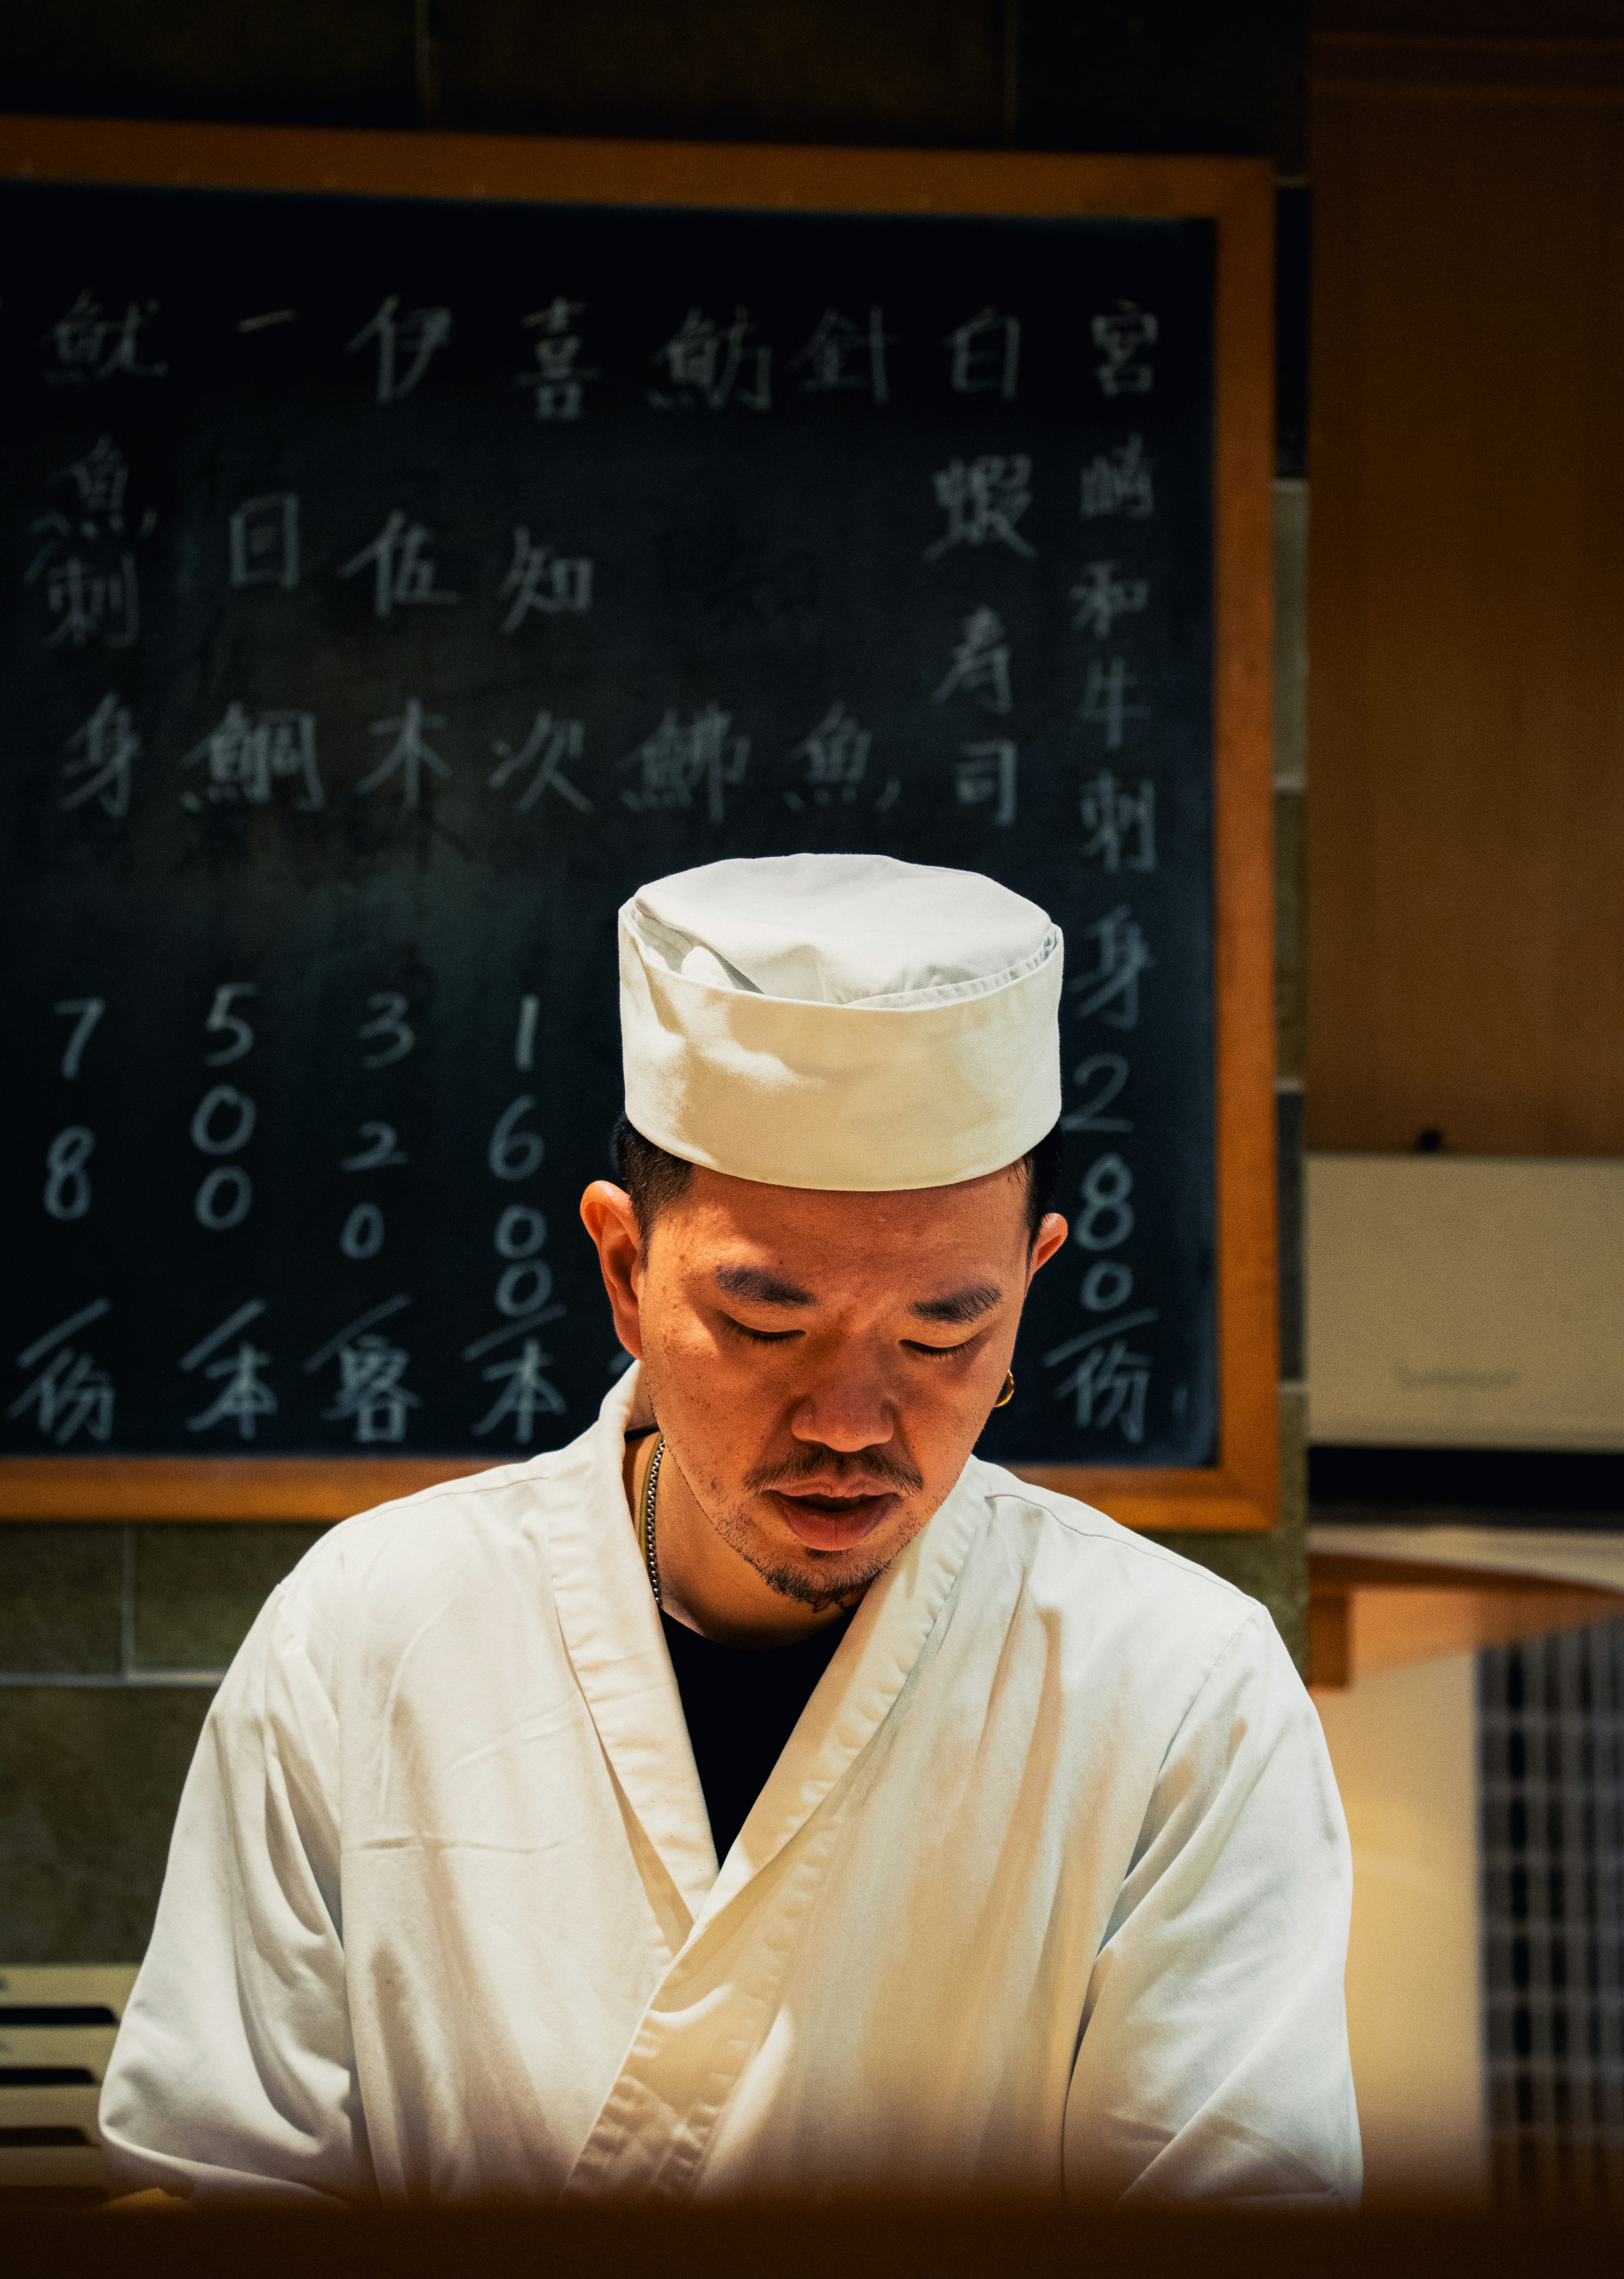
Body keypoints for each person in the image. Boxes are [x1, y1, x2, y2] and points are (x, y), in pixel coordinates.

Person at [100, 853, 1360, 2207]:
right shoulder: (368, 1635)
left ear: (1032, 1280)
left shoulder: (1181, 1693)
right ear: (625, 1271)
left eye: (946, 1330)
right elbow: (217, 2185)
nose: (847, 1422)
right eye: (767, 1324)